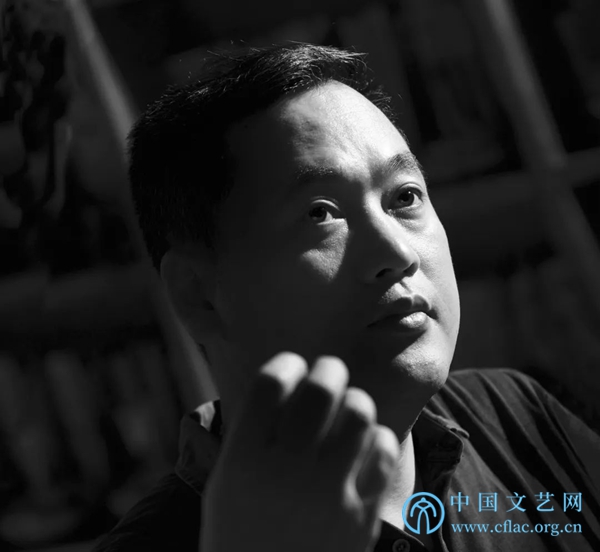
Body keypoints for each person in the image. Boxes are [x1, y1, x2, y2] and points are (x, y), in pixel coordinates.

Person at [94, 43, 600, 552]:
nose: (398, 252)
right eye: (321, 213)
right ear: (198, 295)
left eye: (404, 197)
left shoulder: (515, 417)